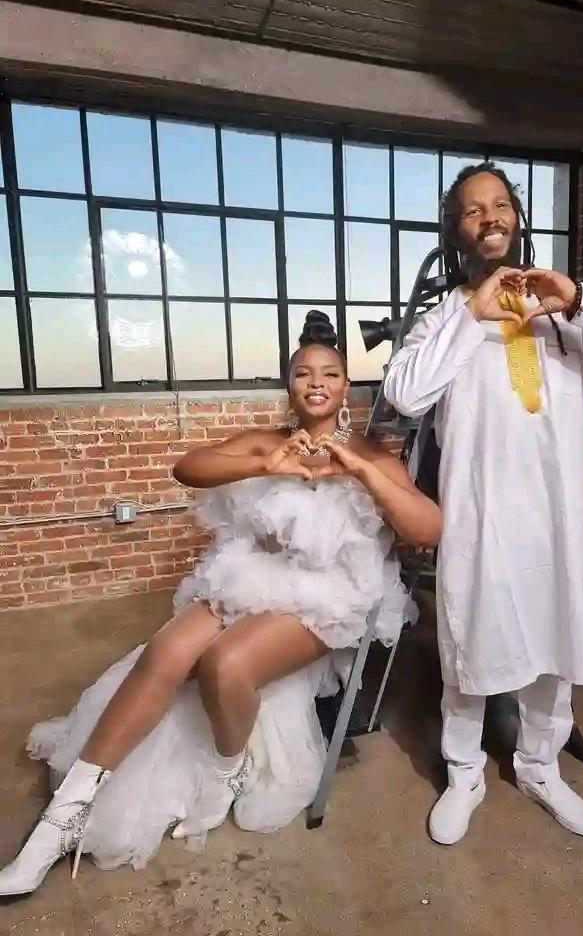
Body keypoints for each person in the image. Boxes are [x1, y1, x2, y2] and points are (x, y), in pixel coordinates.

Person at [0, 311, 441, 896]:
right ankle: (62, 821)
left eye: (330, 374)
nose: (316, 383)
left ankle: (226, 772)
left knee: (224, 664)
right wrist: (267, 463)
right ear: (289, 384)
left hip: (327, 592)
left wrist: (358, 469)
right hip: (253, 575)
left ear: (345, 387)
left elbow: (428, 529)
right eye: (303, 373)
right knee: (163, 653)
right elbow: (188, 467)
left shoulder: (373, 454)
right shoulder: (267, 442)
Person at [383, 163, 583, 845]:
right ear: (455, 231)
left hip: (556, 520)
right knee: (469, 645)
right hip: (481, 517)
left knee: (555, 639)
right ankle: (464, 772)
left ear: (517, 218)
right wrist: (472, 316)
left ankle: (540, 767)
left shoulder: (565, 314)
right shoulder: (444, 318)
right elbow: (405, 395)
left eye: (499, 205)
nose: (489, 217)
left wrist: (576, 297)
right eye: (472, 210)